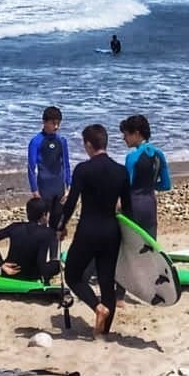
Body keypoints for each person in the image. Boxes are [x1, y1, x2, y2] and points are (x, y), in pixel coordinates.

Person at [61, 124, 132, 337]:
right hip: (111, 231)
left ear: (89, 145)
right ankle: (104, 332)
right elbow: (127, 208)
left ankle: (97, 307)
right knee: (106, 281)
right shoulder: (121, 171)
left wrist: (60, 226)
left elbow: (71, 203)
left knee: (73, 274)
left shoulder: (83, 169)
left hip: (88, 231)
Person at [119, 114, 172, 238]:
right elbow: (166, 185)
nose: (123, 138)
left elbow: (127, 187)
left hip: (133, 205)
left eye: (126, 134)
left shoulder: (132, 157)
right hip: (150, 205)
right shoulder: (159, 154)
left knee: (131, 245)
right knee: (149, 245)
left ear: (137, 133)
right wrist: (148, 185)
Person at [0, 197, 60, 283]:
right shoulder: (48, 233)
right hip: (31, 276)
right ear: (44, 215)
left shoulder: (15, 227)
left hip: (9, 273)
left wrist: (1, 264)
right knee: (56, 265)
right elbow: (41, 262)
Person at [28, 106, 71, 231]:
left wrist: (69, 186)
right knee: (41, 227)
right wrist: (34, 190)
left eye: (58, 123)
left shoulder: (61, 141)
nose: (56, 127)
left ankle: (54, 250)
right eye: (53, 123)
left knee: (56, 227)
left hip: (59, 189)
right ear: (44, 122)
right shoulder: (36, 141)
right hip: (43, 189)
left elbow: (66, 164)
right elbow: (31, 167)